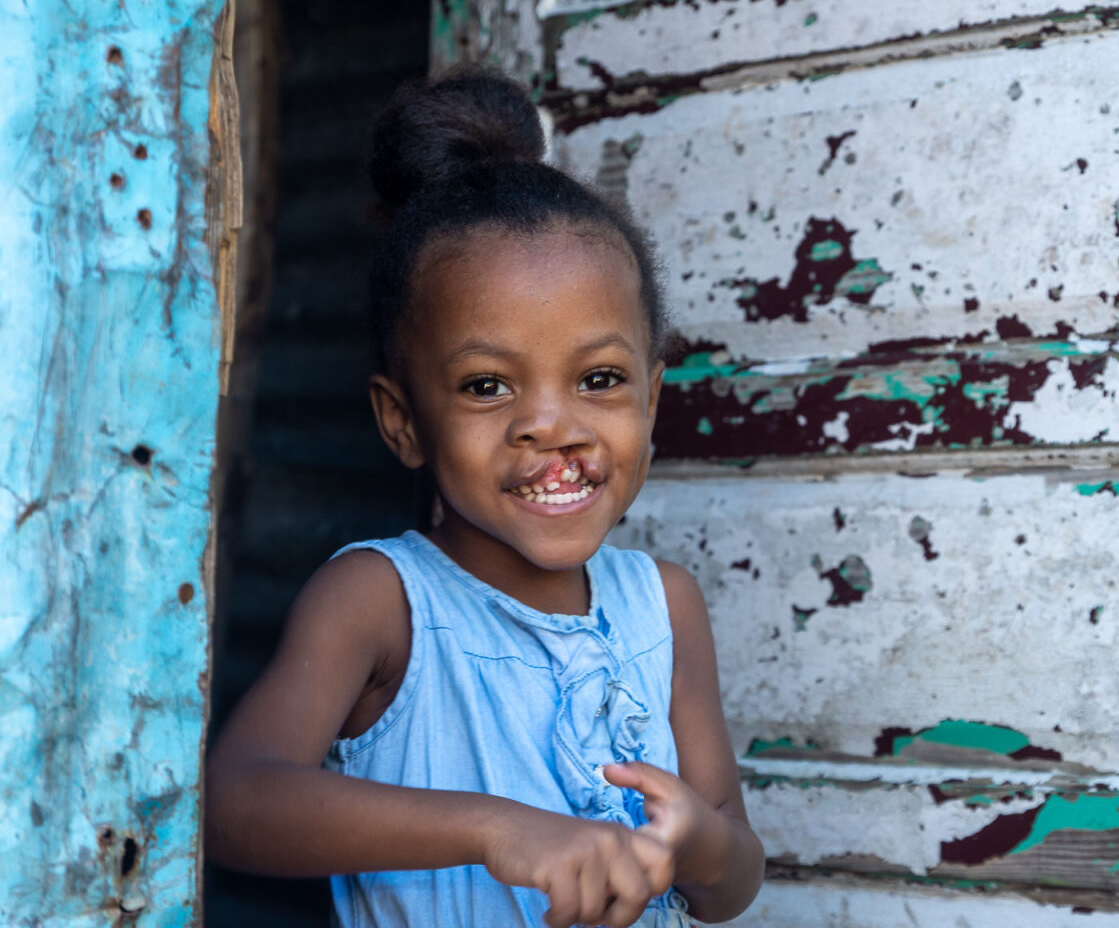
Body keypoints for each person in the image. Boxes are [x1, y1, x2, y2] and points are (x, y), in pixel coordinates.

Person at [205, 68, 764, 928]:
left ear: (651, 400)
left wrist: (697, 842)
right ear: (403, 422)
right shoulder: (382, 602)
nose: (551, 425)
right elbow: (236, 806)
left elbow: (731, 884)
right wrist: (495, 829)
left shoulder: (665, 606)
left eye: (600, 378)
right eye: (487, 387)